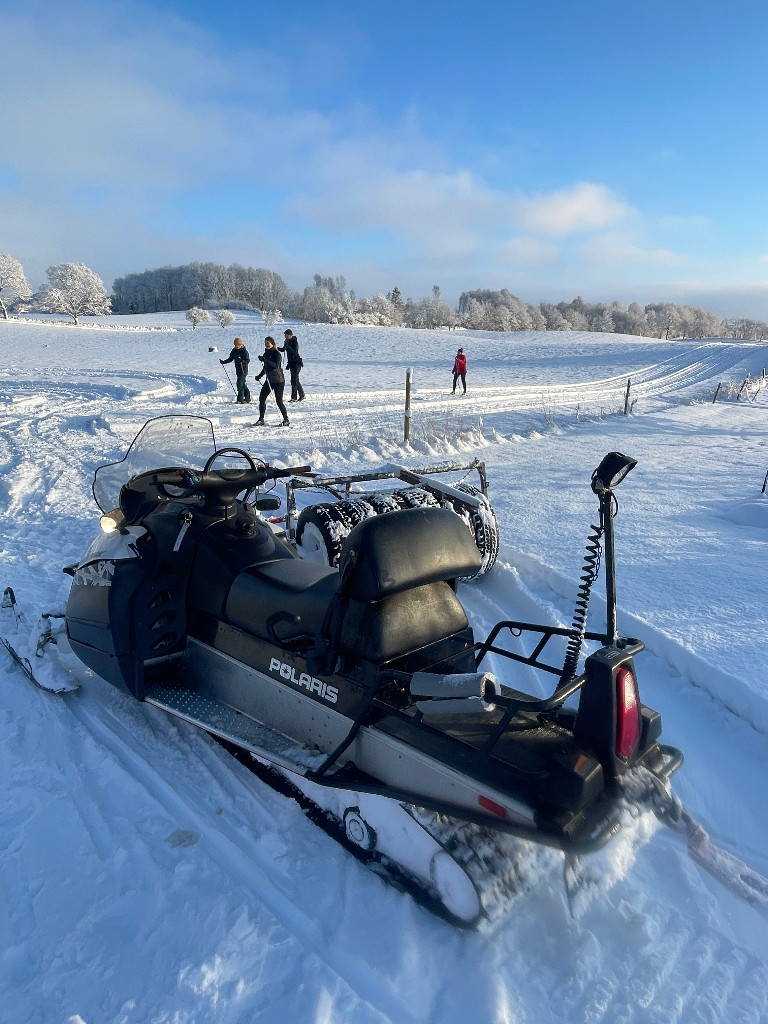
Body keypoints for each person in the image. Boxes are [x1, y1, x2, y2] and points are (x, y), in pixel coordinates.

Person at [253, 336, 290, 426]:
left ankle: (286, 419)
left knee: (279, 401)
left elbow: (275, 365)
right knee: (262, 398)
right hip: (269, 380)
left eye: (268, 343)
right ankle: (261, 419)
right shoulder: (266, 354)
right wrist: (259, 376)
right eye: (265, 343)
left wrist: (265, 360)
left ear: (272, 344)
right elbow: (266, 367)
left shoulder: (276, 354)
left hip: (278, 381)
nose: (266, 345)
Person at [220, 337, 251, 403]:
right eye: (235, 345)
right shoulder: (234, 350)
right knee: (243, 384)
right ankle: (247, 398)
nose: (236, 346)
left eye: (237, 345)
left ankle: (240, 399)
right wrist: (224, 362)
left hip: (243, 370)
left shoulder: (244, 351)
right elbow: (231, 358)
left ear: (240, 344)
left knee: (239, 384)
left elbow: (247, 360)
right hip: (238, 370)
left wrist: (242, 362)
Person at [279, 328, 306, 402]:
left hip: (297, 363)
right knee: (295, 380)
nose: (285, 336)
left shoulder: (294, 342)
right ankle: (302, 395)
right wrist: (276, 348)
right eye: (285, 335)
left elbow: (295, 352)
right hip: (291, 363)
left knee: (294, 380)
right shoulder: (286, 341)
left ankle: (294, 397)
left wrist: (288, 347)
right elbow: (283, 349)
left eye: (286, 335)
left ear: (290, 335)